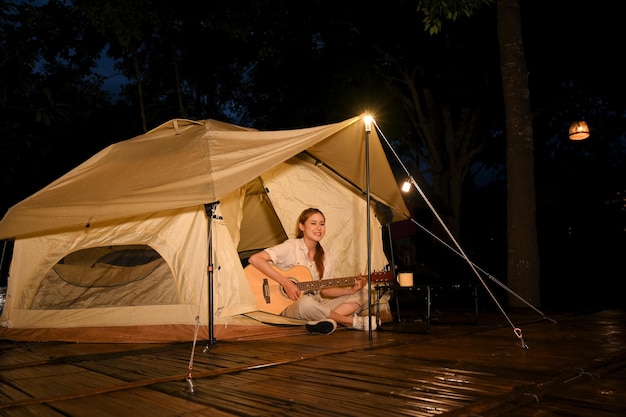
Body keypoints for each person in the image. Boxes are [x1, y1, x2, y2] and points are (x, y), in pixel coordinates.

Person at [247, 207, 377, 335]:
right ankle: (349, 321)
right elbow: (255, 259)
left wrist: (351, 290)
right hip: (290, 306)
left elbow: (325, 289)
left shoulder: (326, 254)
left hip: (316, 304)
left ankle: (327, 321)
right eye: (313, 223)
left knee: (365, 294)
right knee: (305, 303)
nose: (318, 228)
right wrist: (285, 282)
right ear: (302, 227)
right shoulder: (291, 246)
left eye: (322, 224)